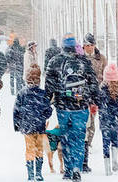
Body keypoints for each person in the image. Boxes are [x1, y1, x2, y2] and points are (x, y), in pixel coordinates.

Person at [44, 33, 99, 181]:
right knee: (79, 139)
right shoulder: (84, 62)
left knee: (66, 138)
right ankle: (76, 168)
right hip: (81, 106)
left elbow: (49, 86)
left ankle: (68, 170)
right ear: (75, 46)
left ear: (63, 46)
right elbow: (93, 83)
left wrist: (46, 103)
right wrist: (93, 99)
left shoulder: (55, 61)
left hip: (63, 106)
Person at [13, 64, 52, 181]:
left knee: (29, 149)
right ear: (39, 80)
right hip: (39, 125)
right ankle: (39, 173)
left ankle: (30, 174)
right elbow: (48, 110)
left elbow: (16, 110)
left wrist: (17, 124)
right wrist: (43, 117)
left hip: (27, 126)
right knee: (39, 149)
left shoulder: (21, 94)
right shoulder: (42, 94)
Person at [81, 33, 107, 173]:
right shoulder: (80, 58)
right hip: (82, 95)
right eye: (87, 45)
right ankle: (82, 149)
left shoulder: (101, 59)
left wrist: (100, 86)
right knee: (84, 123)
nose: (89, 47)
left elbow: (106, 74)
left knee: (91, 124)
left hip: (95, 95)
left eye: (91, 45)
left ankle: (87, 144)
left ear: (94, 45)